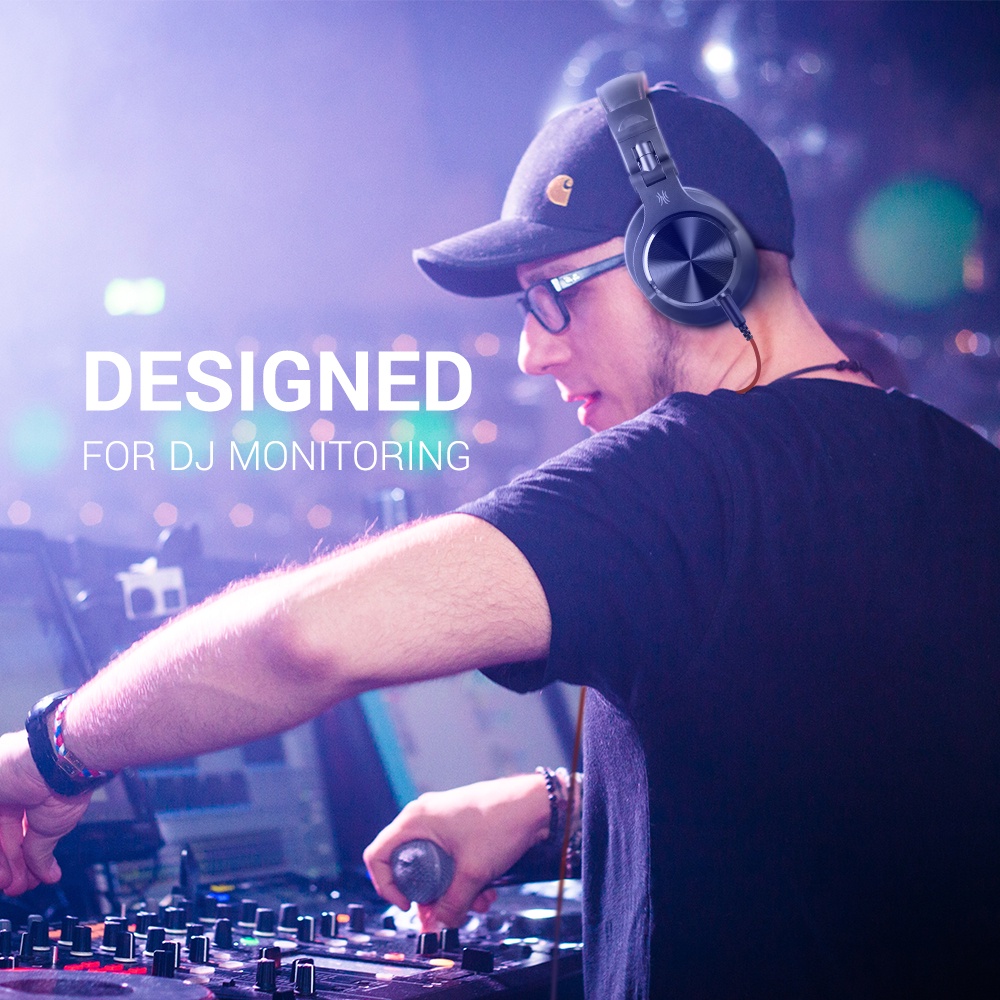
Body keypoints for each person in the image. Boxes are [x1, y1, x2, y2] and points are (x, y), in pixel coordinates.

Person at [1, 79, 998, 1000]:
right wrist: (555, 808)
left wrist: (53, 753)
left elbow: (301, 639)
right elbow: (851, 795)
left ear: (687, 259)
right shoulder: (967, 474)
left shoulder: (690, 477)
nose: (531, 349)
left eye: (553, 293)